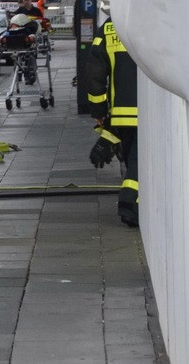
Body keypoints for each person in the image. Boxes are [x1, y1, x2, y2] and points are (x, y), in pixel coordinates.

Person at [84, 17, 139, 227]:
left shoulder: (109, 27)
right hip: (150, 110)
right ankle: (129, 204)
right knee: (138, 161)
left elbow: (94, 74)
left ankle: (130, 203)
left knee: (132, 160)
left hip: (122, 113)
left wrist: (98, 110)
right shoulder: (155, 13)